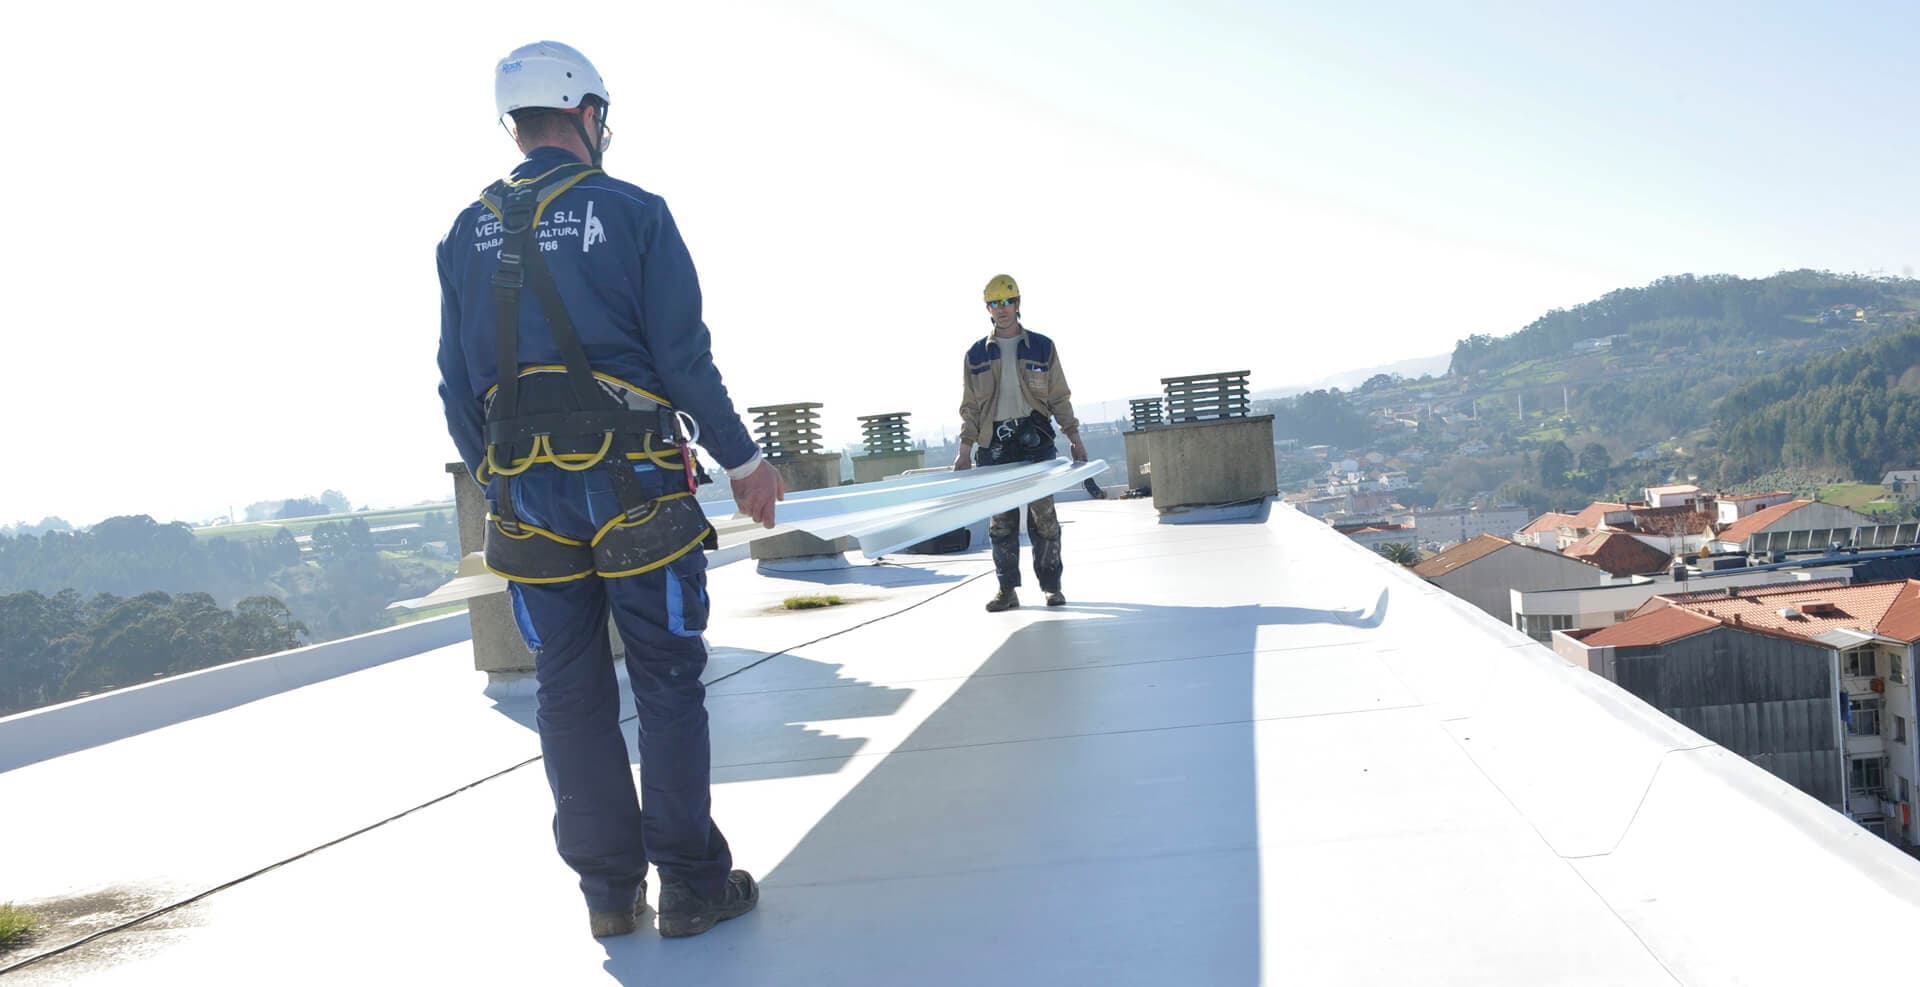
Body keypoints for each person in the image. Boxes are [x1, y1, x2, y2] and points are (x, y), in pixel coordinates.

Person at [435, 41, 782, 939]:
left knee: (568, 687)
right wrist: (745, 463)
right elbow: (683, 361)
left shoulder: (463, 231)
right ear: (586, 113)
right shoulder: (631, 211)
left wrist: (499, 480)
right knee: (666, 679)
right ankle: (692, 884)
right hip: (633, 487)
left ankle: (607, 894)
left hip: (524, 495)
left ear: (517, 124)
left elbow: (453, 382)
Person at [953, 274, 1088, 612]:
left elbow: (1058, 395)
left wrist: (1074, 437)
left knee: (1044, 518)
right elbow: (970, 406)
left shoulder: (1042, 346)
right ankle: (1006, 590)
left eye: (1007, 301)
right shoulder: (975, 354)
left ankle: (1051, 587)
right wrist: (965, 450)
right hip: (994, 444)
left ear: (1018, 303)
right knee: (1001, 521)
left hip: (1035, 440)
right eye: (995, 303)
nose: (1002, 309)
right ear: (987, 308)